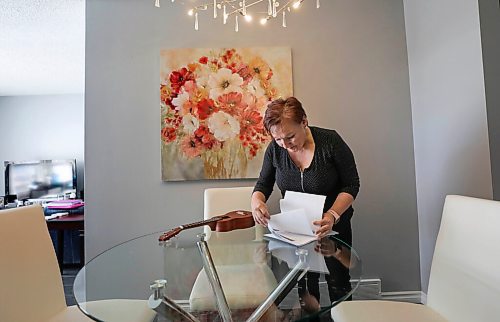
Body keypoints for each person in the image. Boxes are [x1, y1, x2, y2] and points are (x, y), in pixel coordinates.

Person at [251, 96, 360, 312]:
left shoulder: (330, 142)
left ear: (304, 122)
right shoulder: (275, 150)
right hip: (297, 231)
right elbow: (263, 184)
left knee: (338, 283)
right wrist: (257, 203)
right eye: (278, 139)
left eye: (290, 136)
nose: (285, 145)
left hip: (332, 227)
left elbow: (351, 184)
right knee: (306, 286)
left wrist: (332, 215)